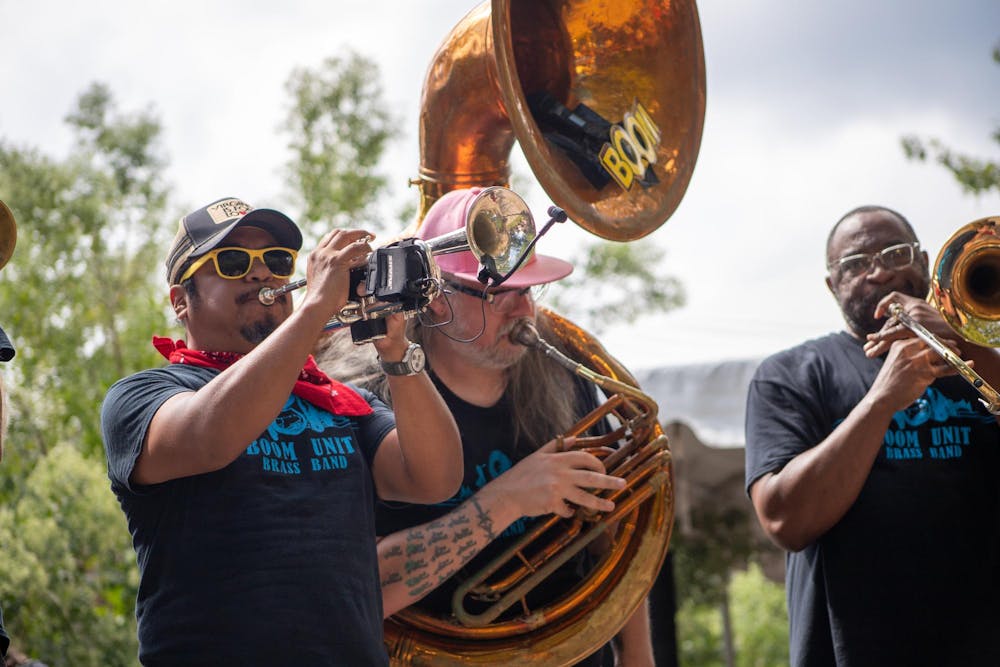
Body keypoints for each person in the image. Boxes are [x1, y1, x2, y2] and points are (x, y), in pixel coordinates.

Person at [100, 197, 463, 665]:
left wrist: (396, 350)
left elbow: (435, 479)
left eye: (276, 261)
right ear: (179, 302)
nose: (262, 274)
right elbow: (211, 436)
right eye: (231, 262)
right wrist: (313, 311)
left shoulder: (339, 400)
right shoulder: (143, 395)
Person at [317, 187, 658, 667]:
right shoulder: (363, 403)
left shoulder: (564, 378)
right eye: (499, 294)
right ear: (436, 302)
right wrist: (508, 499)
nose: (523, 312)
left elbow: (613, 526)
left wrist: (639, 656)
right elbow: (349, 591)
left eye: (529, 290)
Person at [744, 205, 1000, 666]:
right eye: (856, 264)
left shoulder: (982, 363)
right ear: (832, 285)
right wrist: (881, 399)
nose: (880, 272)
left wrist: (969, 346)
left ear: (924, 263)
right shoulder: (789, 374)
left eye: (896, 254)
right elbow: (785, 521)